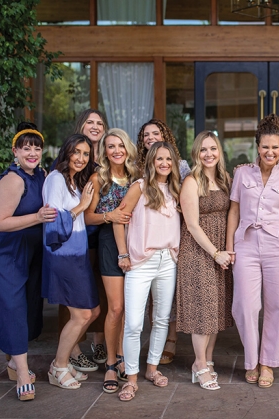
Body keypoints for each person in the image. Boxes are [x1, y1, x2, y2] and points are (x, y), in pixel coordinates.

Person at [226, 114, 279, 389]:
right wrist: (229, 247)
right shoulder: (242, 173)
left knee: (277, 307)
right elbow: (233, 211)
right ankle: (251, 360)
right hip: (246, 243)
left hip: (278, 247)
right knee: (245, 305)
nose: (270, 152)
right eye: (265, 147)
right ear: (257, 146)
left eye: (275, 147)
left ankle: (267, 362)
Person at [0, 124, 56, 401]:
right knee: (12, 306)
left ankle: (14, 361)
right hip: (7, 251)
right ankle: (23, 373)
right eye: (26, 148)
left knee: (27, 305)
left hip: (32, 250)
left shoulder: (43, 175)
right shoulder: (13, 180)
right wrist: (38, 218)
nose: (33, 152)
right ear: (15, 151)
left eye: (37, 147)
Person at [113, 142, 181, 401]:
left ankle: (152, 368)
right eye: (159, 159)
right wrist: (123, 253)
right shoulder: (139, 187)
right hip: (141, 261)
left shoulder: (175, 189)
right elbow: (119, 220)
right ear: (151, 161)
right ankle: (131, 378)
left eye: (168, 159)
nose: (164, 163)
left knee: (162, 319)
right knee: (133, 324)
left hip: (168, 261)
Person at [177, 131, 234, 391]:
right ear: (196, 154)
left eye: (213, 149)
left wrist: (227, 250)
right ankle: (199, 364)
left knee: (217, 309)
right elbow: (191, 224)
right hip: (199, 251)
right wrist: (215, 252)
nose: (209, 154)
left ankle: (207, 360)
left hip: (221, 251)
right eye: (203, 150)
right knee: (203, 310)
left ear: (219, 151)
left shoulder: (225, 179)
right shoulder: (191, 181)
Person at [42, 134, 100, 390]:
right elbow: (53, 222)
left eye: (85, 154)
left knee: (93, 312)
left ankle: (62, 362)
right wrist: (82, 206)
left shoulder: (73, 181)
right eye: (76, 152)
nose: (80, 158)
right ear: (66, 152)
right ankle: (59, 366)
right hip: (63, 255)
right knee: (81, 315)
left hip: (78, 254)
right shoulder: (56, 179)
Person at [84, 128, 138, 393]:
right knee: (116, 308)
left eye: (120, 146)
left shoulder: (137, 177)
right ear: (104, 151)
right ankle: (110, 363)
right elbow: (86, 217)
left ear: (127, 148)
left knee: (131, 308)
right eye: (110, 146)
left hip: (137, 243)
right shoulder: (99, 178)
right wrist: (110, 217)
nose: (116, 150)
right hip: (108, 243)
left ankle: (125, 358)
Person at [58, 109, 109, 373]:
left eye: (100, 123)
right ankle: (73, 350)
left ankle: (99, 342)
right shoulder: (74, 155)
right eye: (90, 121)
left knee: (99, 292)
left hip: (103, 236)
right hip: (76, 237)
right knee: (73, 296)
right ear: (81, 124)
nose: (95, 126)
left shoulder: (109, 155)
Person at [136, 118, 190, 364]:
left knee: (169, 295)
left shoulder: (180, 166)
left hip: (172, 238)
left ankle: (170, 338)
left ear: (165, 135)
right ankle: (150, 346)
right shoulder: (135, 169)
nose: (150, 137)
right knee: (147, 299)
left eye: (155, 133)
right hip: (144, 241)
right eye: (145, 135)